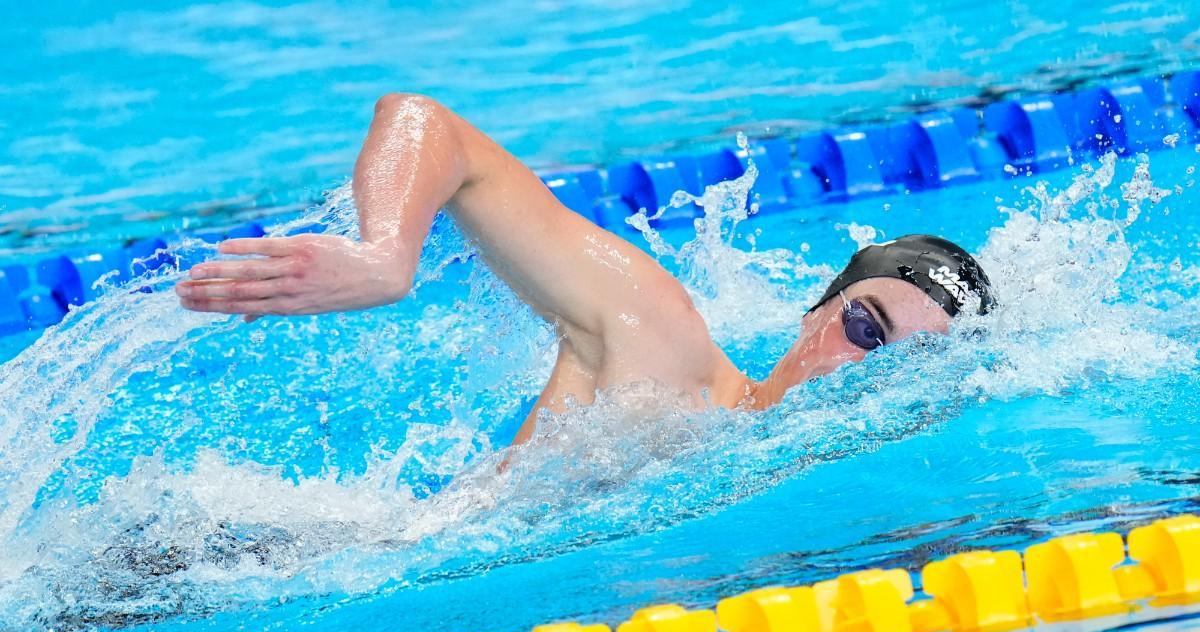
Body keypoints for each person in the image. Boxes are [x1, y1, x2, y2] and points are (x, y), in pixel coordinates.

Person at [175, 94, 995, 444]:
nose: (867, 370)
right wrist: (387, 251)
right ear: (818, 309)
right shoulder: (662, 342)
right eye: (865, 327)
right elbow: (428, 124)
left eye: (910, 364)